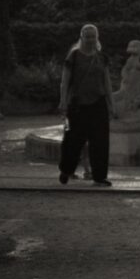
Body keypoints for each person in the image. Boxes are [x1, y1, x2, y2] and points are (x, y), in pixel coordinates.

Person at [58, 24, 118, 187]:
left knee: (100, 141)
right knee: (72, 139)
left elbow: (106, 82)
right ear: (82, 37)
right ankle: (66, 169)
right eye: (87, 36)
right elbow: (65, 81)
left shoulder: (101, 57)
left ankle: (99, 176)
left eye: (93, 36)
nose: (90, 39)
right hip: (77, 104)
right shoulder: (74, 56)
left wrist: (111, 104)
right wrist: (63, 101)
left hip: (98, 103)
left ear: (97, 38)